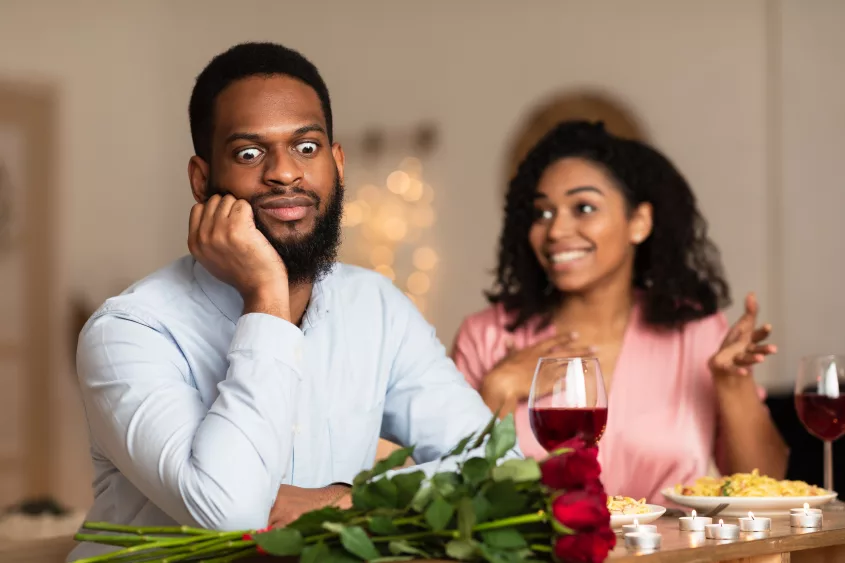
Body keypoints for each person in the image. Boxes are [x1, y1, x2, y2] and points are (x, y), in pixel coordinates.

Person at [69, 42, 503, 561]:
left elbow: (495, 469)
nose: (284, 172)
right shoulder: (128, 331)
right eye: (249, 153)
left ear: (337, 164)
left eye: (306, 147)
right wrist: (267, 297)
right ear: (202, 179)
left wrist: (343, 500)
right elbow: (232, 514)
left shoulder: (376, 308)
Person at [452, 120, 788, 505]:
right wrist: (497, 390)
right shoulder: (486, 336)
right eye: (542, 213)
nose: (556, 230)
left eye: (584, 207)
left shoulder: (695, 331)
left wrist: (732, 384)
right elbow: (450, 495)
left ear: (639, 223)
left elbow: (768, 483)